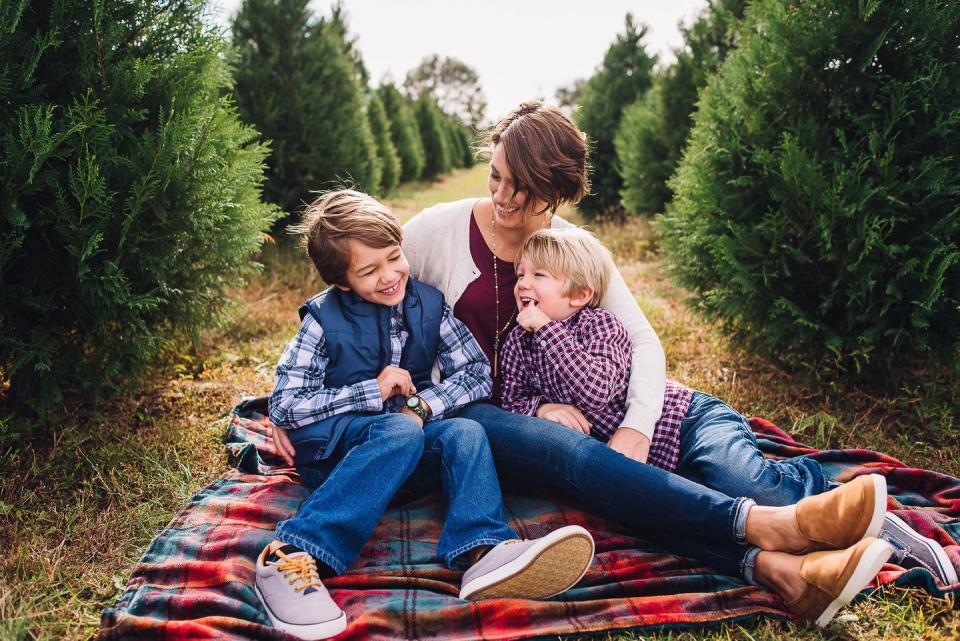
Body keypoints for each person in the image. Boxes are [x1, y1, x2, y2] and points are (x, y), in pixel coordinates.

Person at [269, 104, 955, 626]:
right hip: (490, 416)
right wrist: (308, 400)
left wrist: (634, 428)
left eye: (528, 192)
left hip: (624, 416)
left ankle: (812, 548)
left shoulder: (574, 248)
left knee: (684, 481)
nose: (507, 201)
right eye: (499, 179)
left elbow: (645, 345)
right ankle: (774, 535)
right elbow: (356, 292)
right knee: (583, 463)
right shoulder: (434, 232)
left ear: (559, 195)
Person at [255, 190, 595, 640]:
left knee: (464, 431)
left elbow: (476, 373)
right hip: (338, 456)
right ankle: (292, 552)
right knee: (397, 430)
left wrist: (422, 405)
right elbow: (285, 403)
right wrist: (370, 391)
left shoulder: (428, 305)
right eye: (369, 271)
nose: (390, 275)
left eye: (394, 258)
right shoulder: (323, 319)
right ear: (342, 282)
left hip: (405, 445)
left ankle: (482, 550)